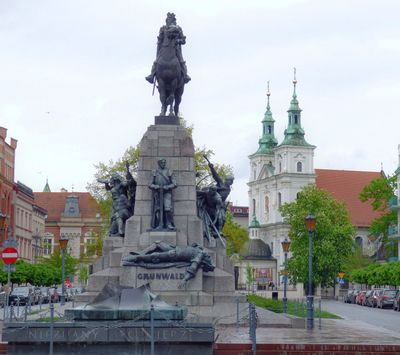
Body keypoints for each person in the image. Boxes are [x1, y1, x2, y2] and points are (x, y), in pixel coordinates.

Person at [145, 12, 191, 84]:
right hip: (164, 49)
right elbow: (160, 39)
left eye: (171, 19)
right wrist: (159, 47)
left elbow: (183, 40)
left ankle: (185, 75)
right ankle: (151, 75)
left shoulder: (178, 28)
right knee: (156, 61)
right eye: (168, 19)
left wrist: (178, 41)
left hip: (175, 49)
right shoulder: (163, 28)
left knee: (181, 61)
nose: (169, 20)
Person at [98, 163, 136, 237]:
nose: (112, 179)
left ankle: (120, 230)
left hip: (122, 202)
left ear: (116, 178)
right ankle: (115, 231)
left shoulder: (121, 184)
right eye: (112, 178)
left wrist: (124, 175)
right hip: (115, 204)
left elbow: (126, 184)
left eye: (114, 177)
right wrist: (106, 183)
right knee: (113, 218)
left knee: (117, 216)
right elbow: (108, 188)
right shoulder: (113, 186)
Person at [149, 158, 177, 230]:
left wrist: (167, 187)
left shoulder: (169, 171)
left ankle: (169, 224)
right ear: (159, 163)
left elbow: (175, 184)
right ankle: (159, 224)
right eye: (162, 162)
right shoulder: (154, 172)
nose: (163, 164)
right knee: (158, 209)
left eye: (164, 162)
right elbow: (150, 184)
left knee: (167, 208)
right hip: (157, 193)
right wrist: (156, 186)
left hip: (166, 192)